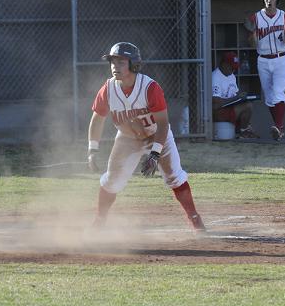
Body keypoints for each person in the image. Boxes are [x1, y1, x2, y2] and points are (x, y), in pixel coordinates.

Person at [86, 42, 205, 232]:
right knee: (111, 180)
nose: (115, 66)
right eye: (113, 61)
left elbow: (163, 124)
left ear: (133, 64)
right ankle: (99, 221)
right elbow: (97, 119)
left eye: (121, 62)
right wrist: (92, 149)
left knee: (174, 177)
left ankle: (194, 218)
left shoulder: (149, 87)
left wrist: (155, 153)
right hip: (127, 139)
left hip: (156, 135)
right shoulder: (108, 89)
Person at [246, 0, 285, 141]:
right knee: (269, 98)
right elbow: (251, 45)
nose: (269, 0)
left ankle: (279, 126)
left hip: (281, 59)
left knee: (278, 93)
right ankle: (279, 128)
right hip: (263, 60)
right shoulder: (255, 18)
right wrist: (252, 34)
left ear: (277, 0)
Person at [212, 51, 259, 139]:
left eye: (235, 68)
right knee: (248, 106)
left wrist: (242, 97)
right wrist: (236, 98)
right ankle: (244, 131)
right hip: (219, 111)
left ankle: (244, 130)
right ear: (224, 64)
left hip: (230, 107)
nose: (233, 70)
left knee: (247, 102)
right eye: (231, 67)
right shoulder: (215, 77)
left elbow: (235, 93)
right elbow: (216, 102)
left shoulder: (232, 76)